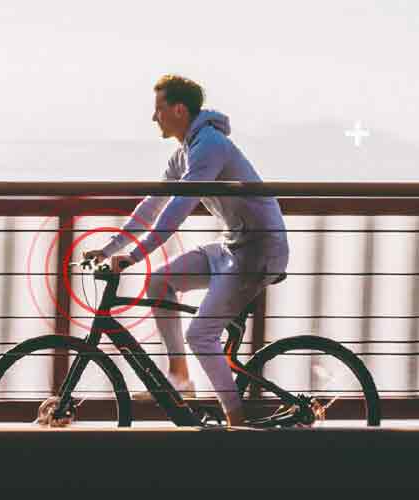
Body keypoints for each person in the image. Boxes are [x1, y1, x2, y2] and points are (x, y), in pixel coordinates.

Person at [83, 74, 289, 427]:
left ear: (179, 110)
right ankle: (179, 377)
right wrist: (110, 248)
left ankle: (237, 424)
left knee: (201, 335)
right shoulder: (183, 154)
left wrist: (134, 256)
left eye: (159, 109)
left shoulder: (210, 146)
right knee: (159, 282)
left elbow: (177, 209)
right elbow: (153, 205)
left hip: (259, 251)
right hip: (232, 246)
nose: (154, 117)